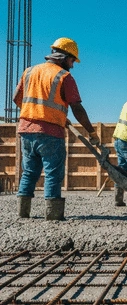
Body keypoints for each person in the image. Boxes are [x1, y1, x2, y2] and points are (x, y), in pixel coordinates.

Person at [13, 37, 100, 221]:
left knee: (29, 172)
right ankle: (53, 216)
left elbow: (16, 98)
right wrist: (92, 132)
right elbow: (77, 108)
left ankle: (23, 213)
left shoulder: (29, 71)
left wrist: (37, 113)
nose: (73, 65)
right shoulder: (64, 77)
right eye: (72, 60)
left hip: (26, 130)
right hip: (51, 133)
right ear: (64, 57)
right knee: (53, 173)